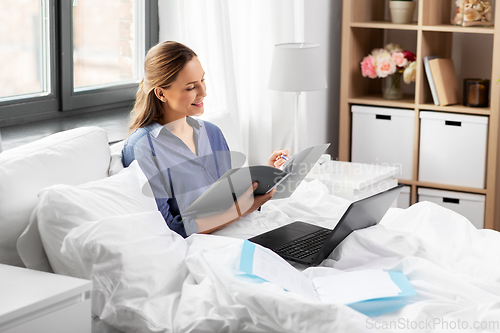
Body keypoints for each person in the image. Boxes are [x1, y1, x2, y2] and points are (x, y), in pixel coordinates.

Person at [122, 41, 289, 238]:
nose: (203, 92)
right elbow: (167, 227)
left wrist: (262, 179)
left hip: (247, 228)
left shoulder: (212, 132)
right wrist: (240, 210)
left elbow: (229, 196)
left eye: (203, 80)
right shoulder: (142, 147)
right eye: (191, 87)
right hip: (207, 245)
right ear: (161, 93)